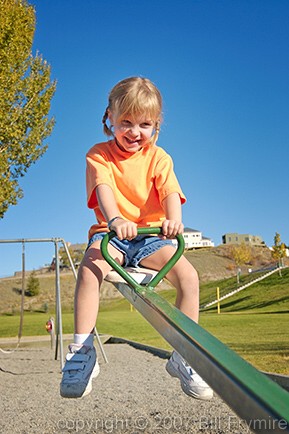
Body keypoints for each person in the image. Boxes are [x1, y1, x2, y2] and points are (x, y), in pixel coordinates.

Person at [60, 77, 213, 401]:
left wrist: (175, 221)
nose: (134, 131)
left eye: (144, 124)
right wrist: (115, 219)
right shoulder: (99, 155)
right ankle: (82, 351)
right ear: (110, 119)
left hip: (151, 238)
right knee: (89, 271)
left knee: (188, 276)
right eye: (126, 122)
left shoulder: (159, 158)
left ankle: (184, 355)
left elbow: (169, 190)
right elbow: (103, 189)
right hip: (112, 236)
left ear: (156, 125)